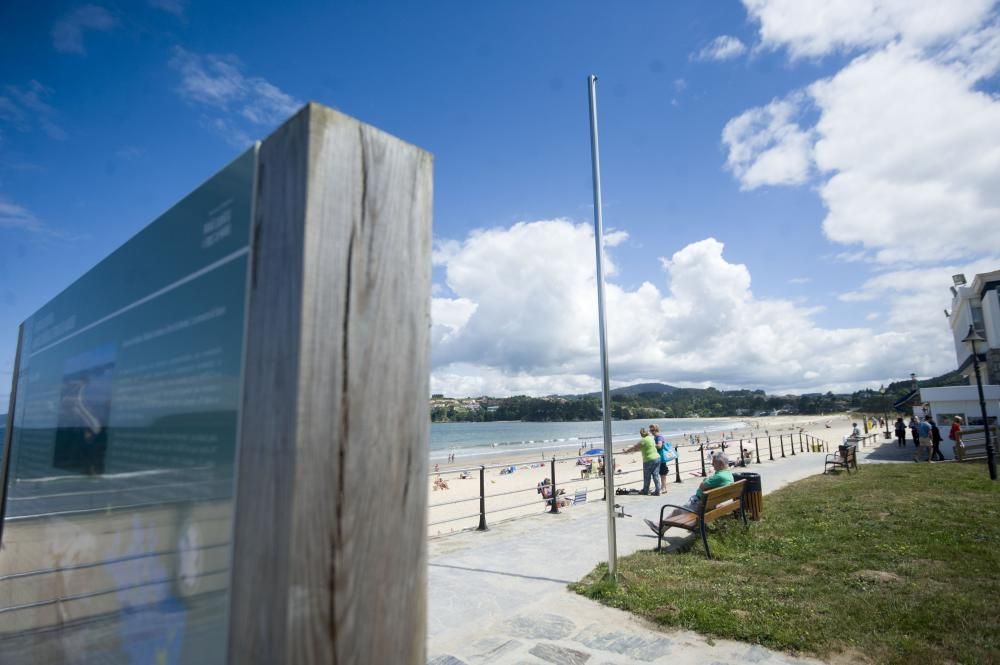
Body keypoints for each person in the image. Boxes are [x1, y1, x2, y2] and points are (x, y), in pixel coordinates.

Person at [645, 453, 733, 536]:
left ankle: (659, 526)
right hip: (710, 504)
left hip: (700, 505)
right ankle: (660, 527)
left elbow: (702, 486)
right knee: (678, 511)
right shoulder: (728, 474)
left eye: (714, 463)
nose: (712, 465)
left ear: (720, 463)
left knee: (677, 511)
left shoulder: (719, 476)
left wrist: (705, 480)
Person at [624, 428, 660, 496]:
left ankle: (645, 490)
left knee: (647, 476)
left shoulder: (643, 440)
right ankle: (657, 491)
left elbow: (635, 447)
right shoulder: (651, 438)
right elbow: (645, 447)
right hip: (657, 457)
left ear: (641, 434)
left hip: (648, 459)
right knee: (656, 475)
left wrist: (626, 451)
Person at [651, 424, 675, 490]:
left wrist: (651, 445)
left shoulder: (659, 437)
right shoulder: (656, 437)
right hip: (659, 457)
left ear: (656, 430)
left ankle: (663, 488)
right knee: (661, 473)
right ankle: (663, 487)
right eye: (650, 430)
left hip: (661, 457)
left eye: (653, 430)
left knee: (662, 473)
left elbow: (659, 446)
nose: (651, 432)